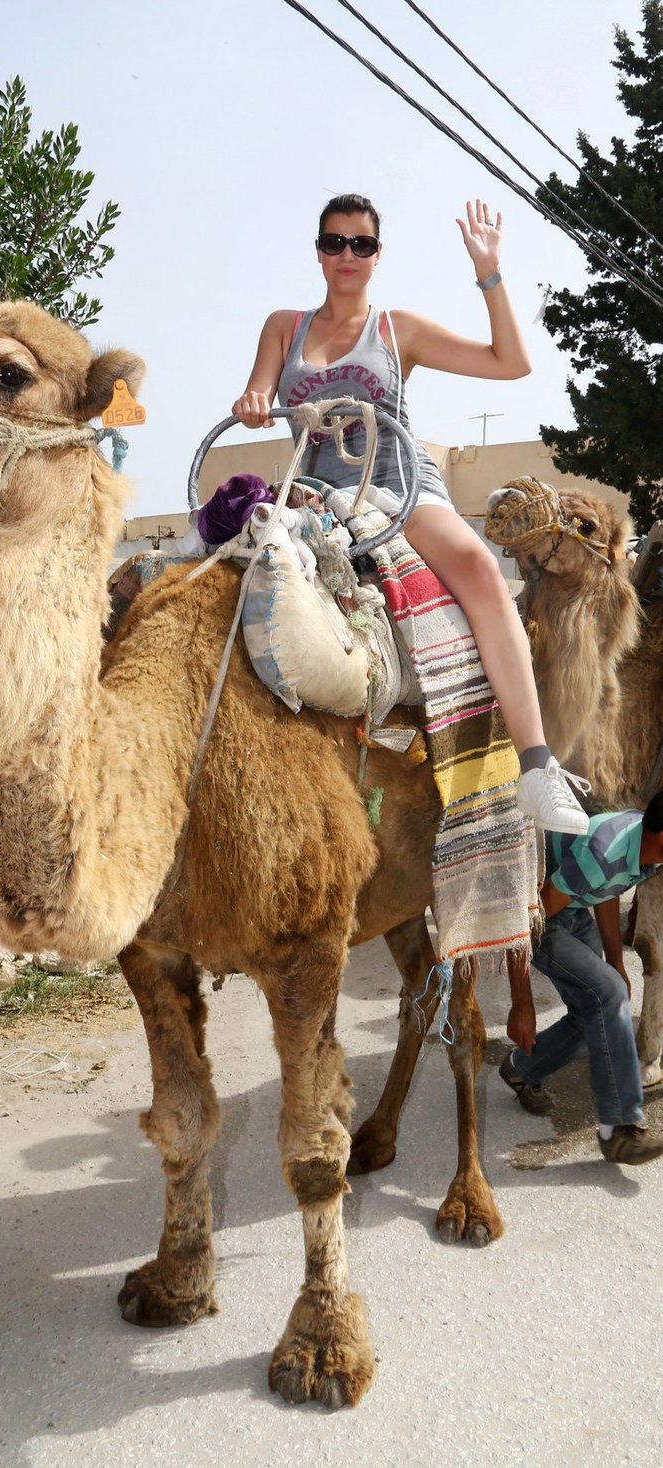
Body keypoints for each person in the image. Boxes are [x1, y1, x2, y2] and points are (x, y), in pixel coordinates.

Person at [232, 192, 589, 835]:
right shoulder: (283, 326)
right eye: (334, 241)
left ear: (376, 255)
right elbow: (259, 388)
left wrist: (490, 273)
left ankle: (537, 768)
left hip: (398, 486)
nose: (347, 254)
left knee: (479, 571)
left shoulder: (397, 331)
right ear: (318, 250)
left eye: (360, 244)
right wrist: (256, 398)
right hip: (316, 492)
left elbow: (512, 363)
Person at [501, 794, 663, 1164]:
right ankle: (620, 1130)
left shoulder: (644, 847)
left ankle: (522, 1068)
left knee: (600, 1004)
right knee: (607, 996)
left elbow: (607, 890)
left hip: (571, 907)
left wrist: (616, 962)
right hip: (539, 914)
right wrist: (521, 1003)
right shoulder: (605, 850)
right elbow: (528, 924)